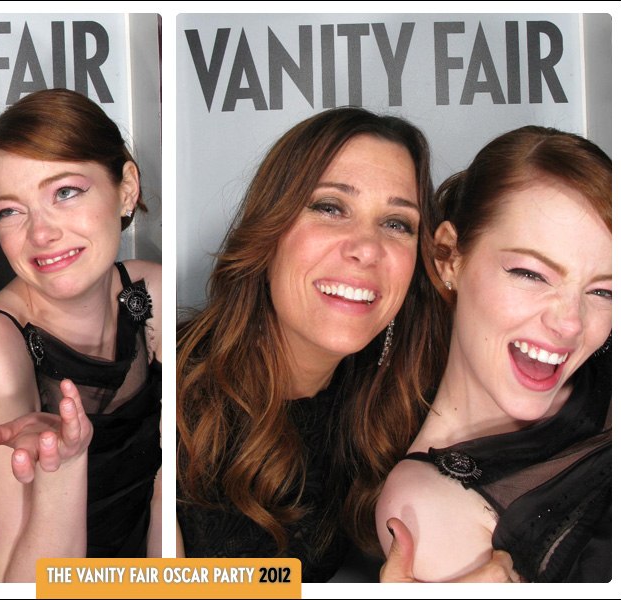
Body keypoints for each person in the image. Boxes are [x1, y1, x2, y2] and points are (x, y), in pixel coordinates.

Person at [176, 107, 444, 581]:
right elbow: (73, 583)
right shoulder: (170, 391)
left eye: (397, 223)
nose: (367, 248)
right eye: (331, 208)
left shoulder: (400, 405)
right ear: (270, 230)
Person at [0, 88, 162, 582]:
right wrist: (65, 468)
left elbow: (166, 503)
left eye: (64, 193)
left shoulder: (152, 297)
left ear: (126, 188)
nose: (40, 234)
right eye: (10, 211)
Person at [376, 126, 611, 582]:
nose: (570, 323)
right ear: (449, 256)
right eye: (530, 274)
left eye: (603, 290)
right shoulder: (427, 511)